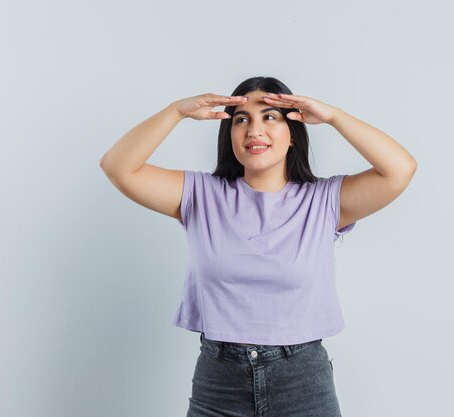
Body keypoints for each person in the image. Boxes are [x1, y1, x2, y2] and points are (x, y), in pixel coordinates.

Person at [99, 76, 416, 417]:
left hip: (302, 382)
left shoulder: (324, 200)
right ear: (229, 134)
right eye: (241, 120)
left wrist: (333, 116)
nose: (254, 130)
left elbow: (400, 169)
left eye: (269, 117)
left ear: (292, 133)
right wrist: (176, 111)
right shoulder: (201, 194)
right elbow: (118, 167)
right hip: (219, 382)